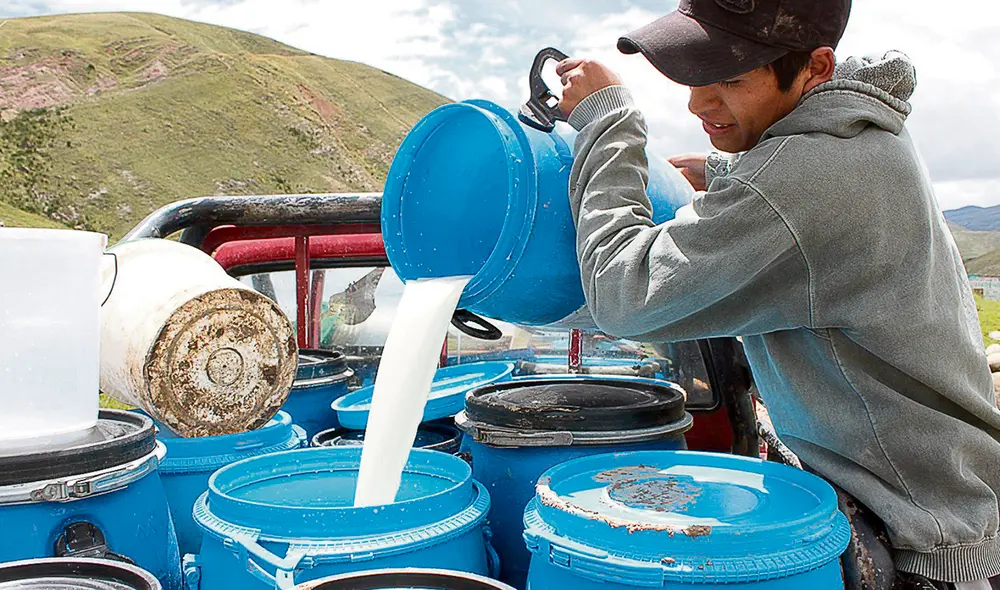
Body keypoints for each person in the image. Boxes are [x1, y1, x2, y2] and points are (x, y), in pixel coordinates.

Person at [553, 1, 1000, 589]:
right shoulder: (859, 132)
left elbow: (623, 295)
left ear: (815, 68)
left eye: (731, 79)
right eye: (693, 76)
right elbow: (795, 193)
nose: (698, 104)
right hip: (945, 504)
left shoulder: (811, 174)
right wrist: (724, 173)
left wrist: (607, 122)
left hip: (916, 545)